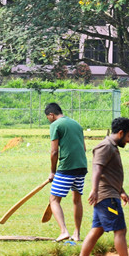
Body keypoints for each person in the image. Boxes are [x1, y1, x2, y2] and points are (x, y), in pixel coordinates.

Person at [74, 117, 129, 256]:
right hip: (107, 197)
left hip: (110, 193)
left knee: (97, 230)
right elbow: (97, 169)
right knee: (120, 230)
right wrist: (94, 190)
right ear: (120, 133)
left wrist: (121, 190)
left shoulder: (112, 146)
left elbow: (109, 173)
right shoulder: (105, 146)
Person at [45, 102, 87, 242]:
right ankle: (77, 234)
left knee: (54, 200)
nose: (48, 120)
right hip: (81, 166)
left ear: (51, 115)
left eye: (48, 117)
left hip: (67, 167)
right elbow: (84, 148)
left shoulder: (55, 125)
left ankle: (64, 231)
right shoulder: (76, 124)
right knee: (77, 200)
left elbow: (54, 151)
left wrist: (52, 172)